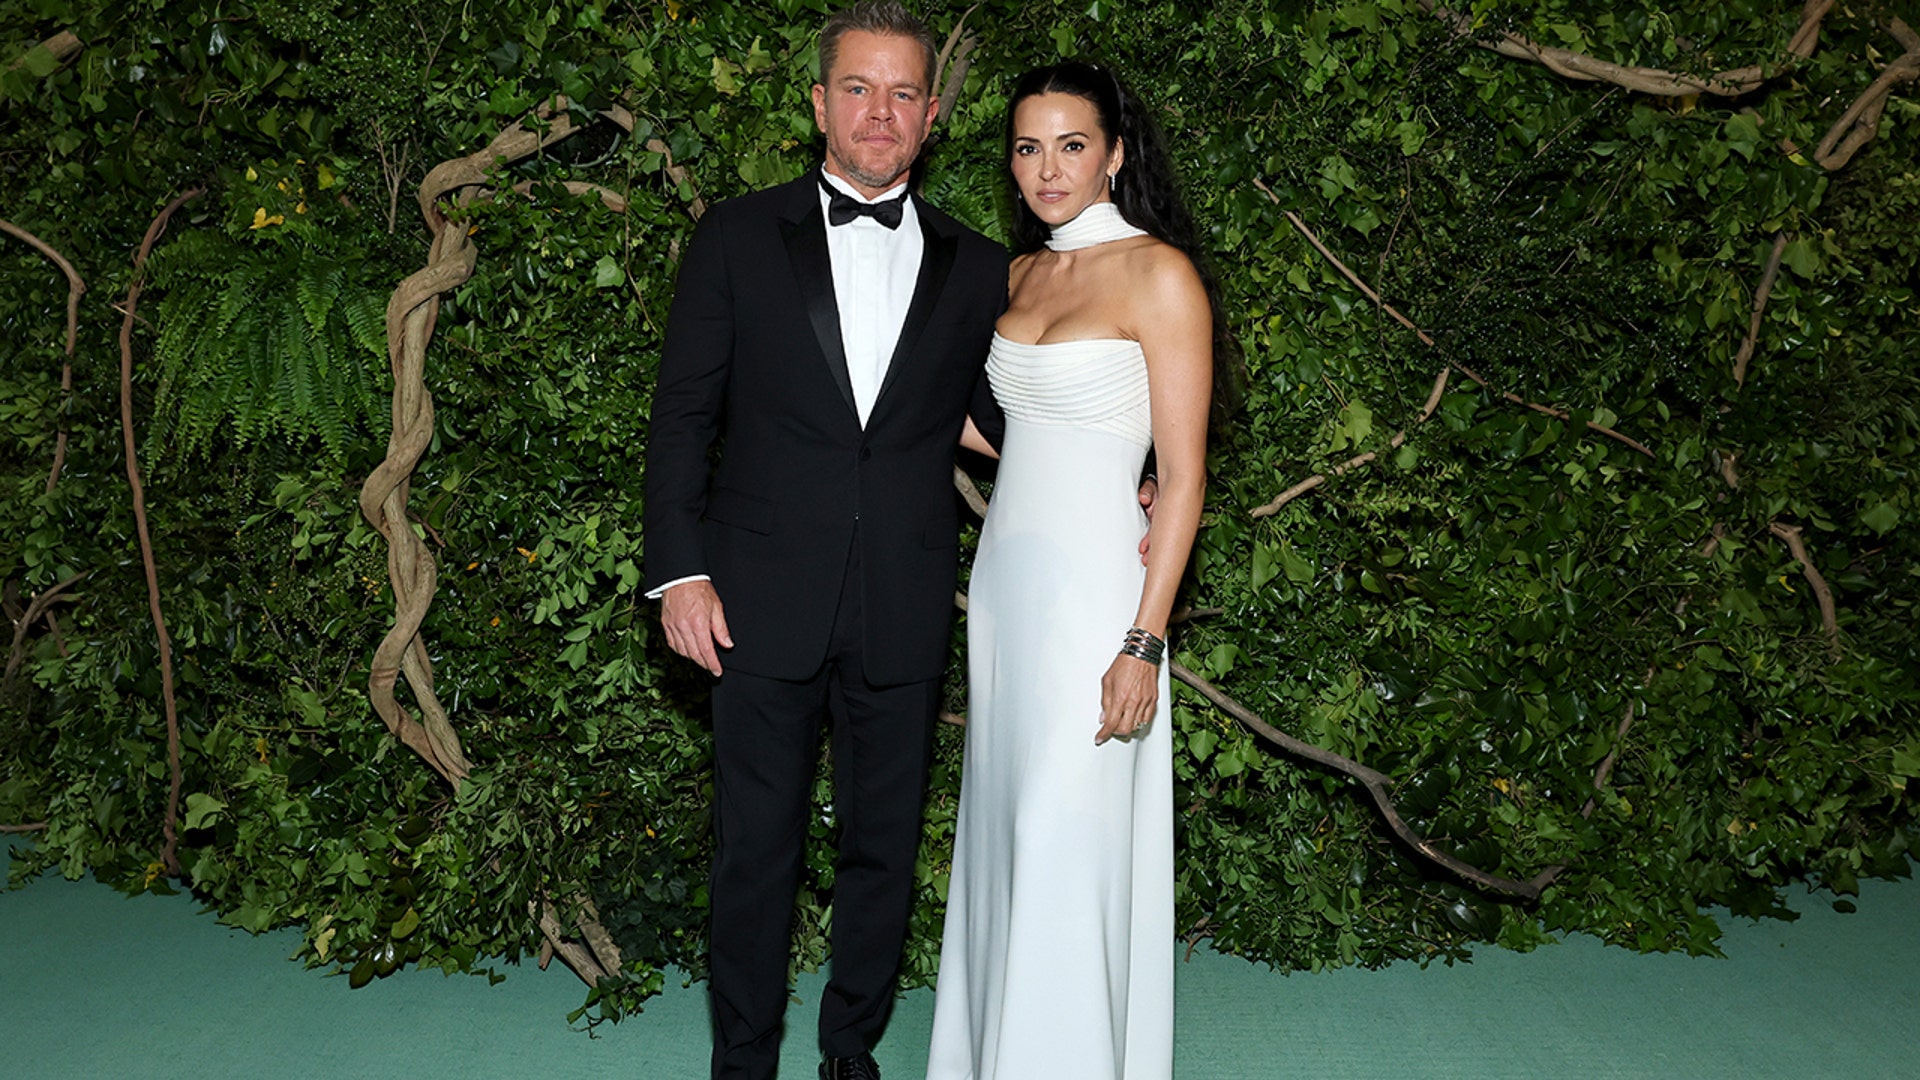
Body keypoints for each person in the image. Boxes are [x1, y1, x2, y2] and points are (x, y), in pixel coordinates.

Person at [640, 4, 1009, 1078]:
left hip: (902, 598)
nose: (879, 112)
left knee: (881, 853)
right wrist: (679, 570)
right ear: (818, 104)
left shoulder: (981, 267)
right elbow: (682, 418)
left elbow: (996, 420)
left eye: (903, 92)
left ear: (933, 115)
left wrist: (1125, 485)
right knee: (756, 850)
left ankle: (851, 1051)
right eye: (858, 88)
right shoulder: (737, 236)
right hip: (753, 595)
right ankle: (742, 1061)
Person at [926, 62, 1219, 1080]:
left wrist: (1144, 639)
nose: (1046, 168)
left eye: (1070, 145)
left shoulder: (1159, 275)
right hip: (1008, 589)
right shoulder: (1016, 277)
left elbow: (1180, 476)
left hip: (1102, 594)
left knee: (1065, 831)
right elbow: (1009, 431)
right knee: (1011, 831)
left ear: (1116, 154)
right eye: (1026, 147)